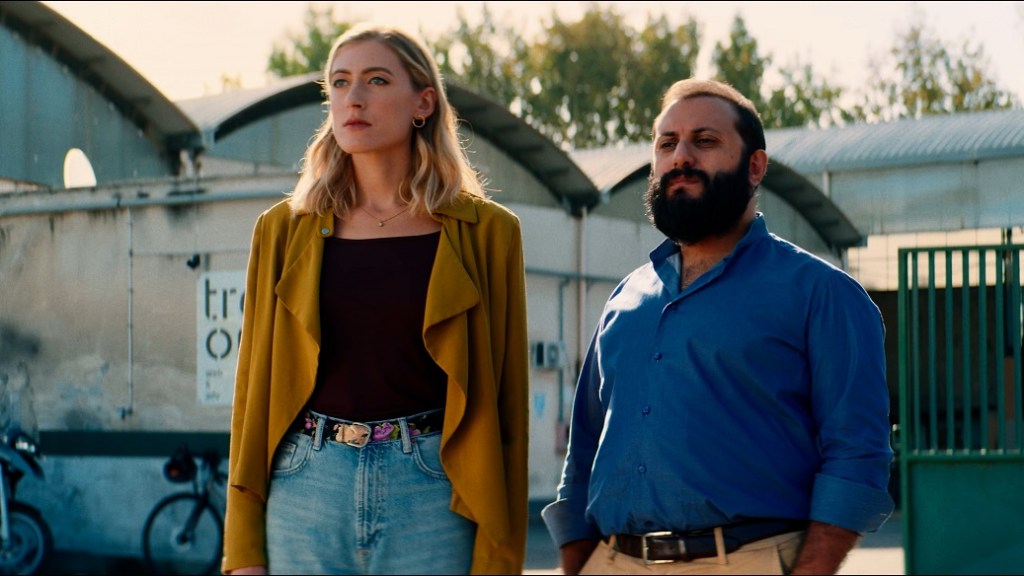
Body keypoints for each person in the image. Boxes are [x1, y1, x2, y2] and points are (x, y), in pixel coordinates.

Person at [541, 78, 894, 575]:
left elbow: (857, 455)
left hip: (746, 561)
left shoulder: (822, 294)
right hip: (613, 561)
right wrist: (578, 561)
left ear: (755, 166)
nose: (681, 157)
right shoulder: (626, 298)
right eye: (667, 144)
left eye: (704, 141)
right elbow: (584, 449)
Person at [221, 23, 529, 575]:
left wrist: (499, 560)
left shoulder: (487, 233)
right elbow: (251, 396)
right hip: (304, 486)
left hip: (434, 491)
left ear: (423, 103)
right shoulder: (282, 230)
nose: (353, 98)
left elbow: (507, 405)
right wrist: (243, 550)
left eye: (376, 80)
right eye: (339, 83)